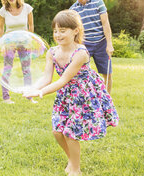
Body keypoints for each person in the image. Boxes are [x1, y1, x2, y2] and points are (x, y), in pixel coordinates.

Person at [22, 10, 119, 175]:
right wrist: (34, 88)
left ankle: (76, 169)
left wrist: (40, 93)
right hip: (65, 96)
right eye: (55, 31)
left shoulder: (80, 53)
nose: (58, 35)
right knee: (57, 132)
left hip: (84, 95)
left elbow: (63, 80)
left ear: (75, 31)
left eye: (62, 30)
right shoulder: (52, 52)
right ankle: (73, 161)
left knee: (70, 133)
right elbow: (47, 77)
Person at [69, 0, 114, 94]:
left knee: (107, 73)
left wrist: (109, 44)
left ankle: (107, 98)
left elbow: (105, 24)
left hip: (101, 42)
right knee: (80, 72)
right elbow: (74, 31)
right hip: (85, 44)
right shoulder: (73, 10)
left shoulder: (98, 2)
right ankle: (84, 96)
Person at [0, 0, 37, 104]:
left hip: (24, 42)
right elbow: (1, 28)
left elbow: (31, 26)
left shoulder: (27, 8)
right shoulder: (3, 10)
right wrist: (3, 43)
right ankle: (6, 98)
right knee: (7, 69)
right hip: (10, 43)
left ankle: (29, 96)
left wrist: (30, 40)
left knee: (26, 69)